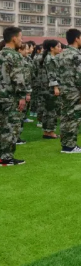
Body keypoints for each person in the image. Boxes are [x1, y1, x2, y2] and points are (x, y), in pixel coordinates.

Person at [0, 27, 29, 166]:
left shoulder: (1, 54)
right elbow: (18, 79)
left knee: (2, 126)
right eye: (20, 37)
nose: (21, 40)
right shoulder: (15, 56)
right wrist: (22, 96)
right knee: (11, 127)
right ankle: (6, 157)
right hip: (10, 97)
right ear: (14, 38)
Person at [58, 29, 81, 154]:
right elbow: (80, 75)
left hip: (64, 90)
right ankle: (70, 145)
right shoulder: (77, 54)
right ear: (77, 38)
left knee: (65, 117)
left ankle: (65, 144)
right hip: (74, 90)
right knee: (74, 118)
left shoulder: (62, 53)